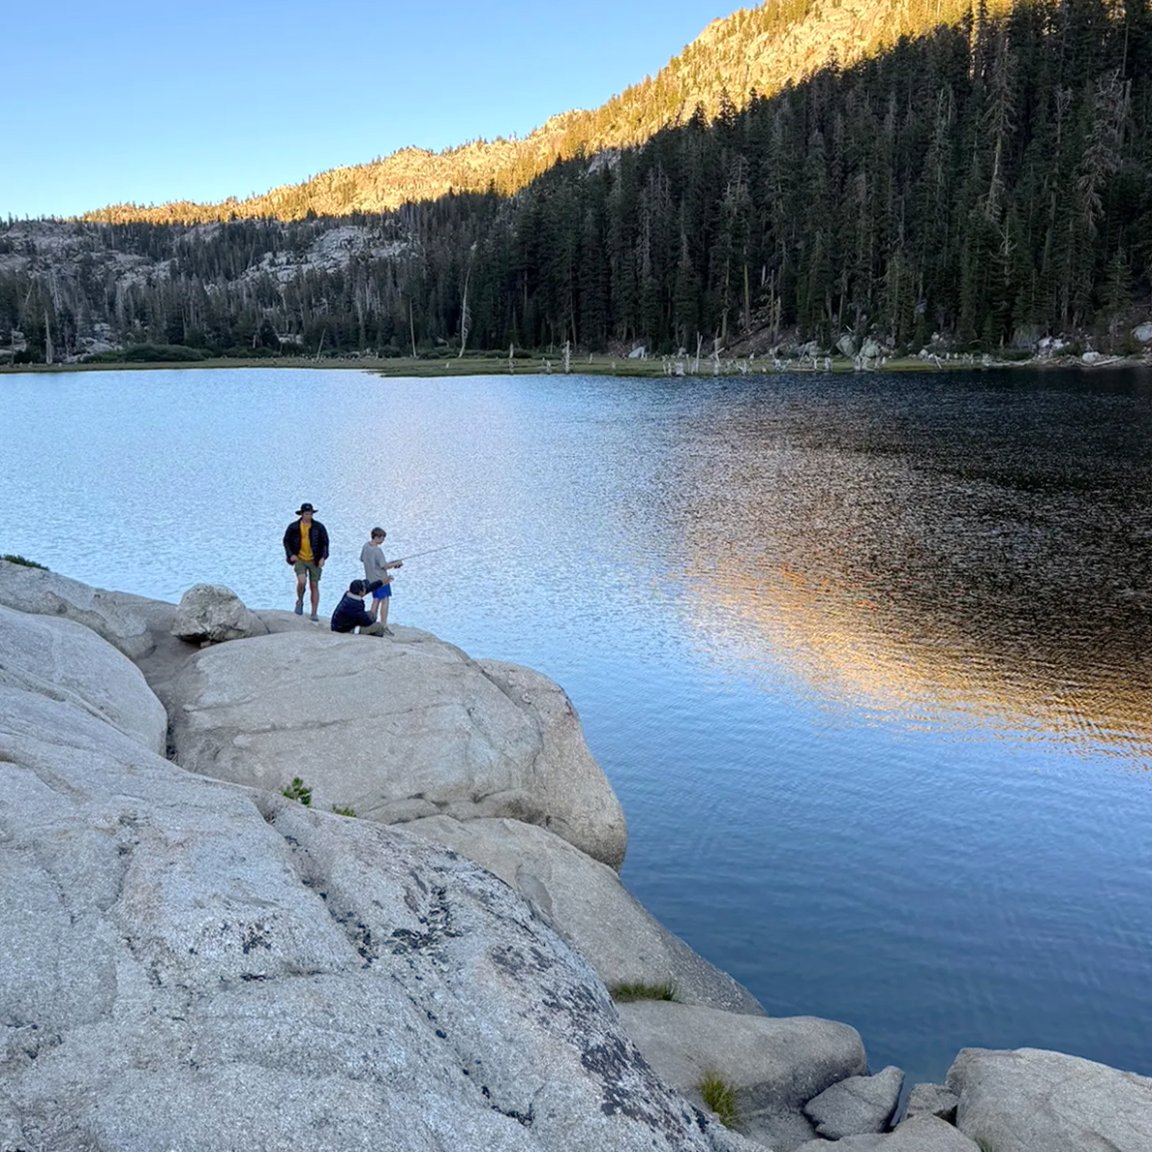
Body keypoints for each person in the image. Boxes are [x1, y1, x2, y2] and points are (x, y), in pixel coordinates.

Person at [282, 502, 329, 622]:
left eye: (310, 514)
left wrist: (323, 557)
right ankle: (300, 601)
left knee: (314, 585)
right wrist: (291, 554)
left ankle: (314, 612)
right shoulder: (293, 527)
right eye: (307, 514)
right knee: (301, 581)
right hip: (300, 558)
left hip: (315, 559)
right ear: (302, 514)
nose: (309, 516)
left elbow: (325, 543)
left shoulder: (319, 527)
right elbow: (286, 541)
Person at [359, 527, 403, 635]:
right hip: (381, 579)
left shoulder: (366, 546)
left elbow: (362, 559)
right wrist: (396, 564)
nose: (383, 541)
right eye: (382, 538)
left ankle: (371, 623)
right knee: (385, 600)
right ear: (377, 537)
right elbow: (384, 566)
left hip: (371, 579)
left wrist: (391, 563)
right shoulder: (377, 550)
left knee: (376, 600)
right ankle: (383, 625)